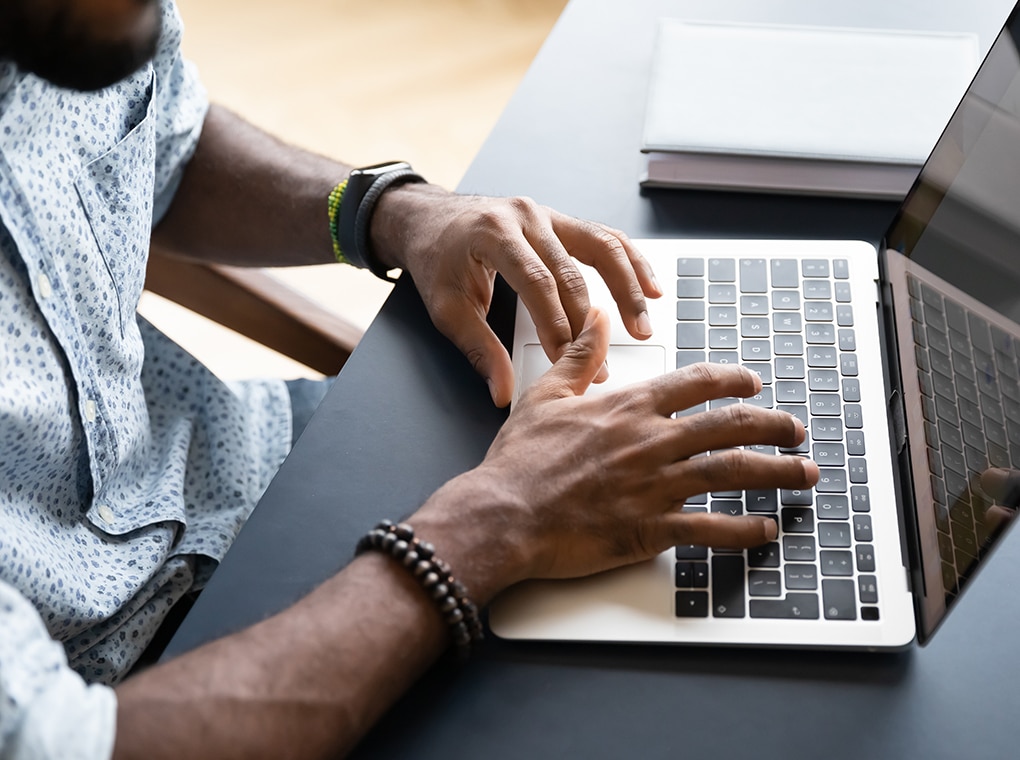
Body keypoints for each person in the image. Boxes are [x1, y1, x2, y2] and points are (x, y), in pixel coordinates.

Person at [0, 0, 819, 757]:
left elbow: (163, 145)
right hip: (134, 681)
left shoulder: (81, 23)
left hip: (233, 471)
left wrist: (384, 210)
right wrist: (492, 523)